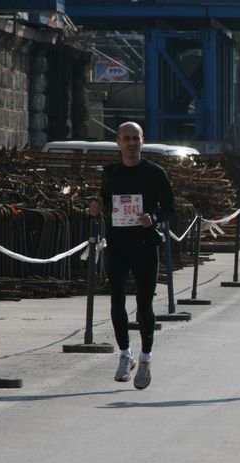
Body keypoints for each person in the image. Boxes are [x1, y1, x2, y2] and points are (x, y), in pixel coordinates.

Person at [89, 122, 174, 390]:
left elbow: (170, 208)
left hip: (146, 245)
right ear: (118, 142)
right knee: (116, 300)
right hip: (117, 245)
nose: (131, 143)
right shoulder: (110, 172)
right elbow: (103, 200)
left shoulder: (154, 172)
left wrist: (155, 218)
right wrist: (96, 207)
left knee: (145, 303)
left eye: (135, 138)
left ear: (142, 140)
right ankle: (125, 355)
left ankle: (145, 357)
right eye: (126, 138)